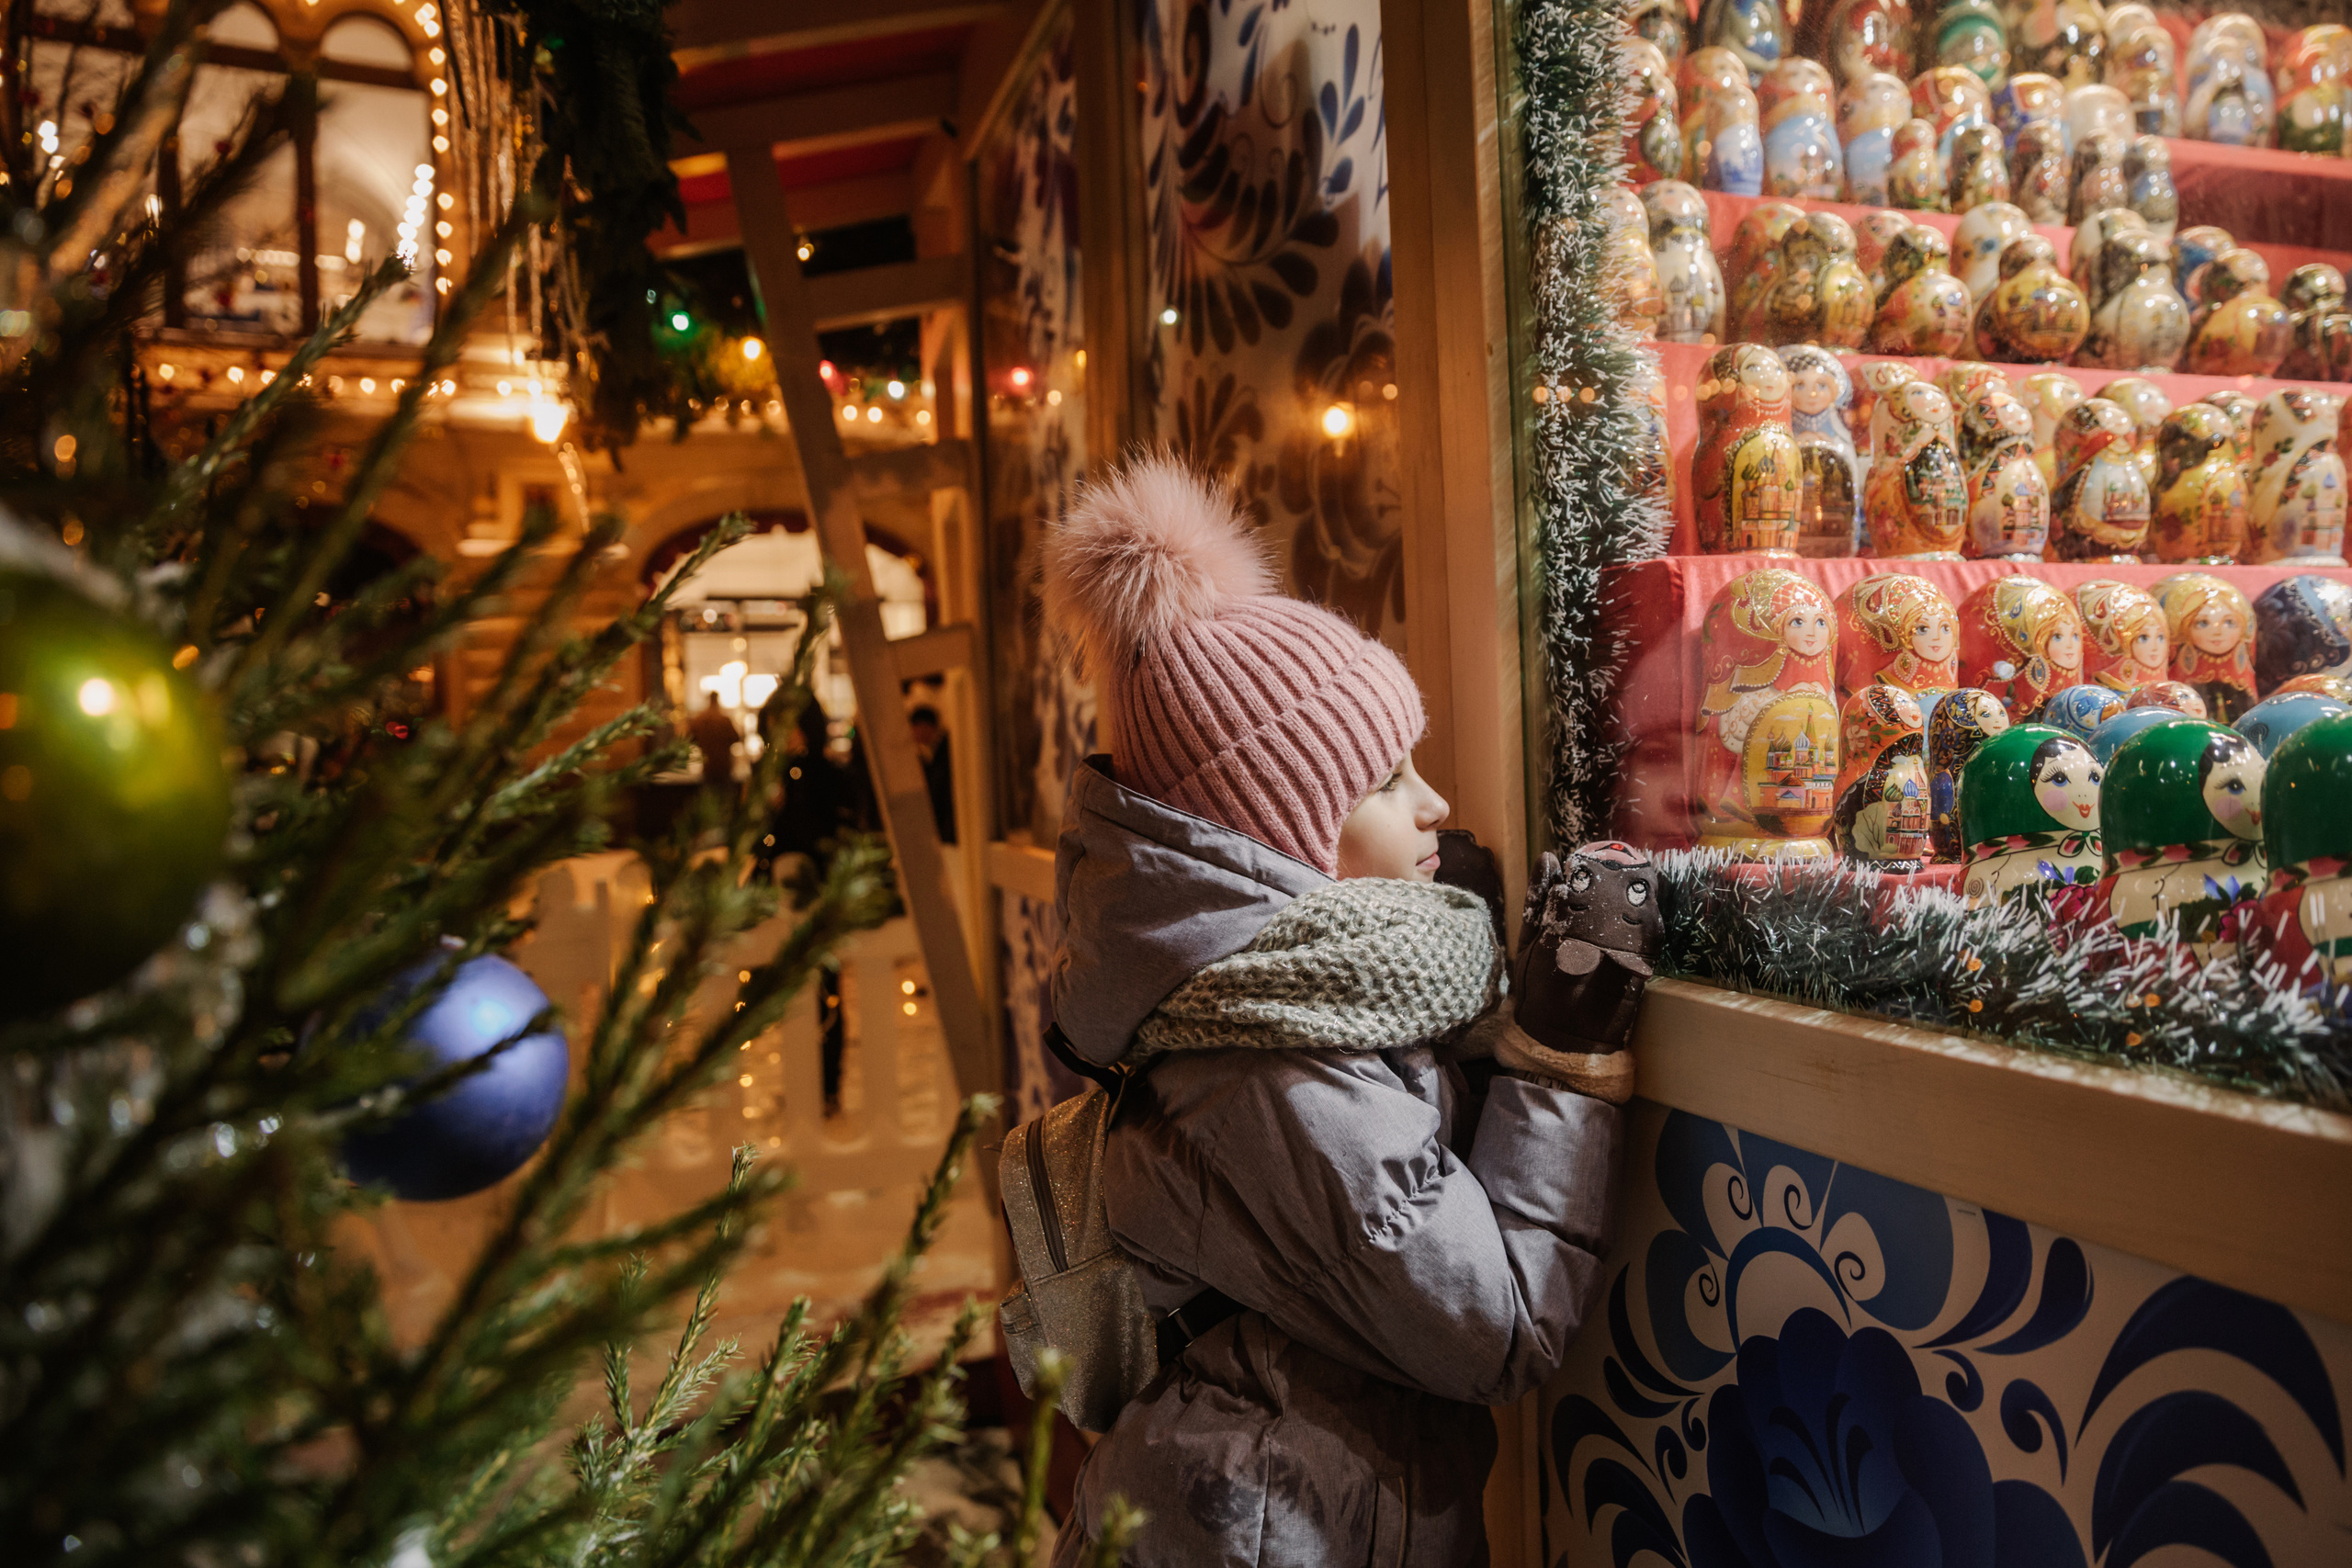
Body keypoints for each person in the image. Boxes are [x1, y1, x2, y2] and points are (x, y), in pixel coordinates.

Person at [1037, 455, 1626, 1567]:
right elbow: (1490, 1327)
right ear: (1284, 835)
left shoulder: (1269, 1002)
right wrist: (1561, 1062)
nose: (1434, 802)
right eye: (1388, 779)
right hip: (1265, 1531)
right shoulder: (1275, 1069)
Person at [908, 704, 956, 844]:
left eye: (914, 728)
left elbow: (942, 794)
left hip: (948, 831)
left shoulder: (945, 752)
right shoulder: (934, 752)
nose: (914, 734)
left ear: (924, 727)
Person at [685, 691, 740, 796]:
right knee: (725, 798)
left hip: (708, 765)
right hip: (724, 766)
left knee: (709, 798)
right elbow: (736, 738)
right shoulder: (724, 720)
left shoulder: (700, 720)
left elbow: (689, 738)